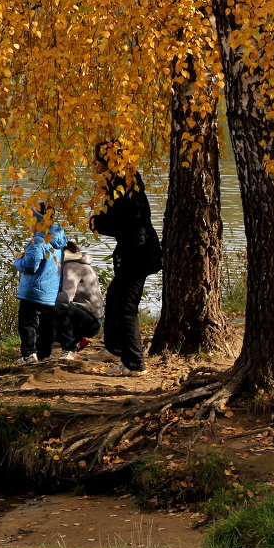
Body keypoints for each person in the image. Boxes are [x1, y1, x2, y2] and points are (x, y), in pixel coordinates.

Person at [89, 141, 162, 375]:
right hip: (133, 251)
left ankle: (134, 364)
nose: (93, 163)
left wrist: (96, 222)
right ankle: (114, 347)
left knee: (126, 307)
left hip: (138, 253)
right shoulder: (123, 181)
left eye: (97, 159)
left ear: (108, 161)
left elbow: (126, 223)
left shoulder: (125, 184)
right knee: (114, 298)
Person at [12, 208, 67, 363]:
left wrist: (18, 261)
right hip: (50, 291)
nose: (28, 224)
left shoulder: (38, 241)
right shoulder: (58, 241)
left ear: (38, 222)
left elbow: (30, 266)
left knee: (27, 323)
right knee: (46, 324)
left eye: (30, 220)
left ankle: (28, 354)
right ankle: (43, 354)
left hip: (33, 291)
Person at [55, 241, 103, 360]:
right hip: (89, 317)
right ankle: (78, 339)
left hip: (91, 322)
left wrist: (42, 298)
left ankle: (69, 349)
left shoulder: (71, 267)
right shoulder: (76, 263)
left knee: (55, 307)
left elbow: (66, 297)